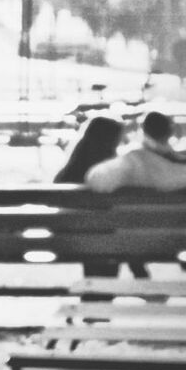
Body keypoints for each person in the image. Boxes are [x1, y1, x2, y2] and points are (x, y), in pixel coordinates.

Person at [54, 114, 148, 279]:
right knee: (117, 230)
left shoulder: (69, 171)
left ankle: (100, 292)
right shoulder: (111, 172)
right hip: (102, 239)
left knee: (108, 233)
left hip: (69, 238)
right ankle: (138, 271)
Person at [86, 110, 186, 193]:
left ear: (143, 132)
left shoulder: (134, 161)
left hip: (138, 225)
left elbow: (96, 180)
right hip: (178, 225)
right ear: (170, 133)